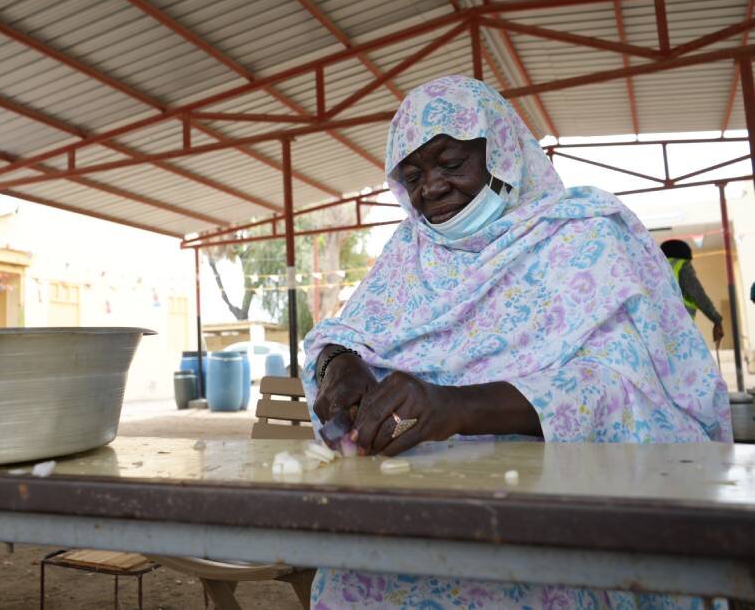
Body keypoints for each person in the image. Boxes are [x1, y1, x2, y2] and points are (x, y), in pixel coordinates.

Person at [302, 75, 731, 609]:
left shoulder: (583, 234)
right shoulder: (408, 252)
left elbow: (627, 387)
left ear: (501, 152)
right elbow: (348, 333)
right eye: (411, 176)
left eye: (451, 164)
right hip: (408, 518)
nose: (430, 188)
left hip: (551, 521)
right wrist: (339, 363)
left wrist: (460, 406)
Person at [660, 238, 724, 344]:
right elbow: (698, 295)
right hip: (679, 326)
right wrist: (716, 319)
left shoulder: (653, 268)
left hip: (656, 326)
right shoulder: (682, 265)